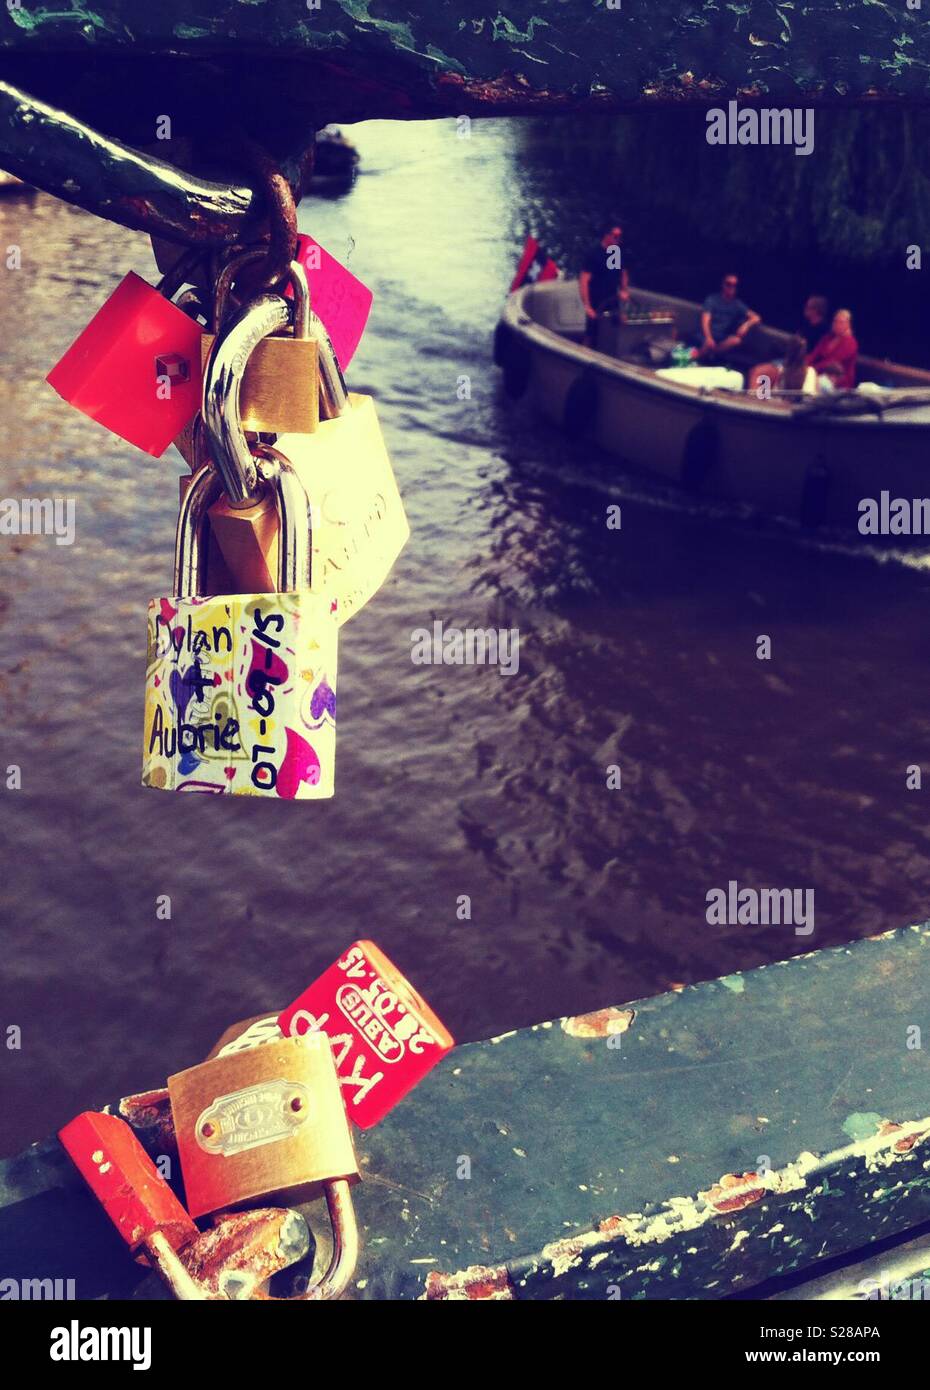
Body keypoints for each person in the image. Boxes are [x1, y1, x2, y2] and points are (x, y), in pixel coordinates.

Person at [579, 219, 630, 346]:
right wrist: (587, 306)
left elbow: (622, 272)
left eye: (620, 236)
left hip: (612, 299)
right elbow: (584, 281)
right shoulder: (594, 254)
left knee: (615, 331)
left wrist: (624, 290)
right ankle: (583, 357)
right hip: (596, 300)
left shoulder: (615, 252)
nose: (618, 239)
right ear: (607, 236)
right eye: (615, 236)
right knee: (591, 334)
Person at [695, 273, 760, 364]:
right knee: (708, 344)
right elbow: (705, 321)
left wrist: (746, 325)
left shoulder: (737, 304)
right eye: (728, 284)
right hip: (706, 334)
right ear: (723, 285)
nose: (731, 287)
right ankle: (699, 357)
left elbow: (756, 317)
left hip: (721, 336)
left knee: (736, 340)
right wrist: (708, 338)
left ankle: (709, 354)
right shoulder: (712, 299)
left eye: (734, 285)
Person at [806, 309, 858, 390]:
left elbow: (832, 363)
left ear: (848, 324)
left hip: (838, 381)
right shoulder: (827, 338)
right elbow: (814, 355)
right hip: (819, 374)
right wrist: (802, 364)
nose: (836, 324)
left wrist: (811, 369)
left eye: (841, 322)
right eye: (835, 321)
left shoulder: (851, 343)